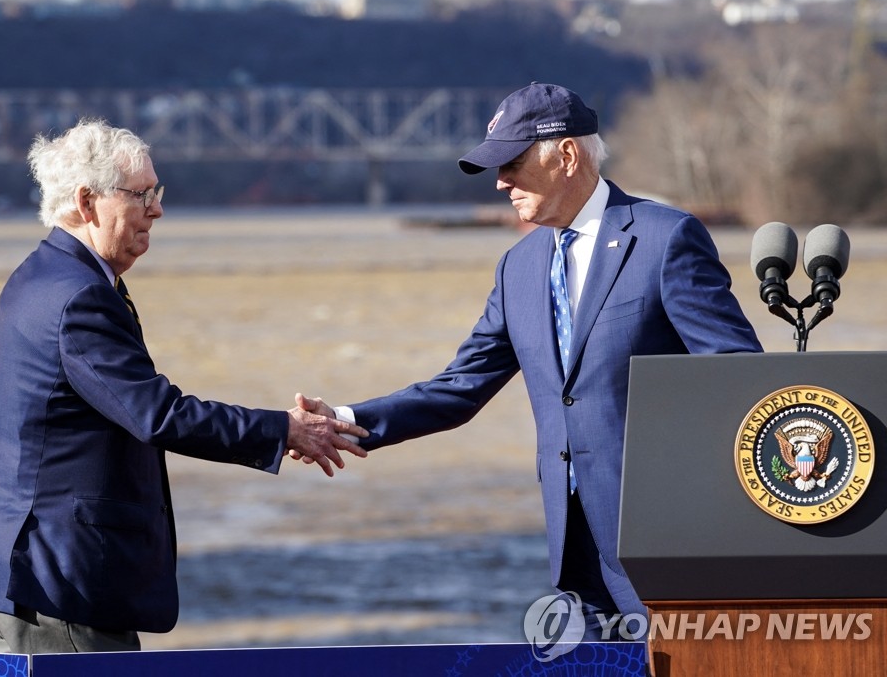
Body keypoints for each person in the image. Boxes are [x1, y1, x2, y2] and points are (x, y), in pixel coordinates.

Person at [292, 82, 762, 639]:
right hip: (574, 549)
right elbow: (459, 388)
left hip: (670, 535)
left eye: (512, 163)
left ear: (565, 155)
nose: (500, 182)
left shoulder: (666, 239)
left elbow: (737, 376)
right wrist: (342, 422)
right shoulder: (518, 267)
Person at [0, 118, 368, 653]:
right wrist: (284, 430)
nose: (156, 208)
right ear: (88, 202)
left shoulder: (43, 275)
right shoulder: (77, 296)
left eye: (158, 191)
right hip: (62, 580)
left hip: (45, 572)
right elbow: (158, 413)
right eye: (142, 194)